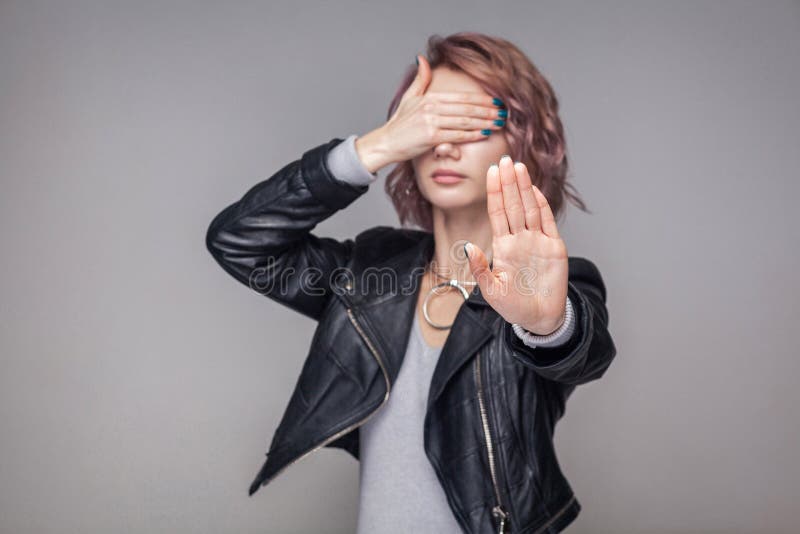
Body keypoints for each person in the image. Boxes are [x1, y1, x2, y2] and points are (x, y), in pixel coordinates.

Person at [206, 32, 617, 534]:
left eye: (469, 124)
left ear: (524, 141)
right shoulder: (372, 274)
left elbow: (584, 348)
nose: (443, 144)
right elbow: (239, 240)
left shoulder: (556, 286)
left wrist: (548, 323)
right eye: (429, 124)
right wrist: (373, 147)